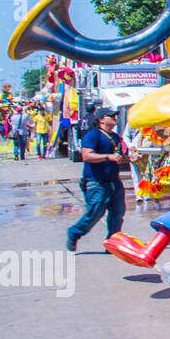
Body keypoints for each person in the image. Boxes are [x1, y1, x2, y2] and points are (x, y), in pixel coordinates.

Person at [65, 108, 128, 252]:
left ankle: (112, 243)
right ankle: (74, 232)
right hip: (97, 182)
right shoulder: (93, 135)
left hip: (114, 181)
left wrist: (128, 158)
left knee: (118, 214)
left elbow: (118, 156)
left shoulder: (116, 137)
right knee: (95, 214)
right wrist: (108, 157)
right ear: (101, 119)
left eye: (114, 116)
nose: (114, 118)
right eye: (110, 116)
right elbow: (86, 155)